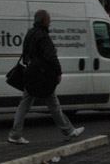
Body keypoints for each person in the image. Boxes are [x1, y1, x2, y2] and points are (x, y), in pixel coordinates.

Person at [8, 10, 84, 144]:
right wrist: (58, 72)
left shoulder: (30, 33)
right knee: (53, 104)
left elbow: (26, 53)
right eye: (49, 19)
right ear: (44, 21)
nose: (50, 21)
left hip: (30, 75)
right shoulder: (43, 36)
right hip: (42, 77)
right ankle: (69, 130)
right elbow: (50, 57)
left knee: (25, 104)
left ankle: (15, 134)